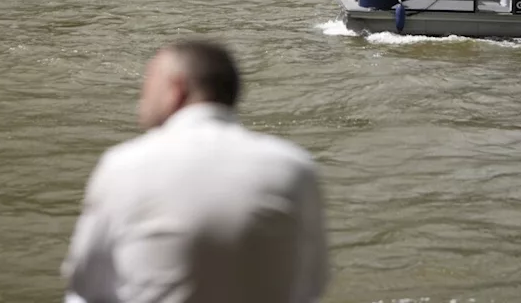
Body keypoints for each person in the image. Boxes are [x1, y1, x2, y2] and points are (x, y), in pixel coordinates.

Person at [62, 40, 329, 303]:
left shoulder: (124, 164)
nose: (141, 96)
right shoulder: (295, 166)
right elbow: (312, 283)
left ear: (176, 90)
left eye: (148, 83)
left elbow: (85, 282)